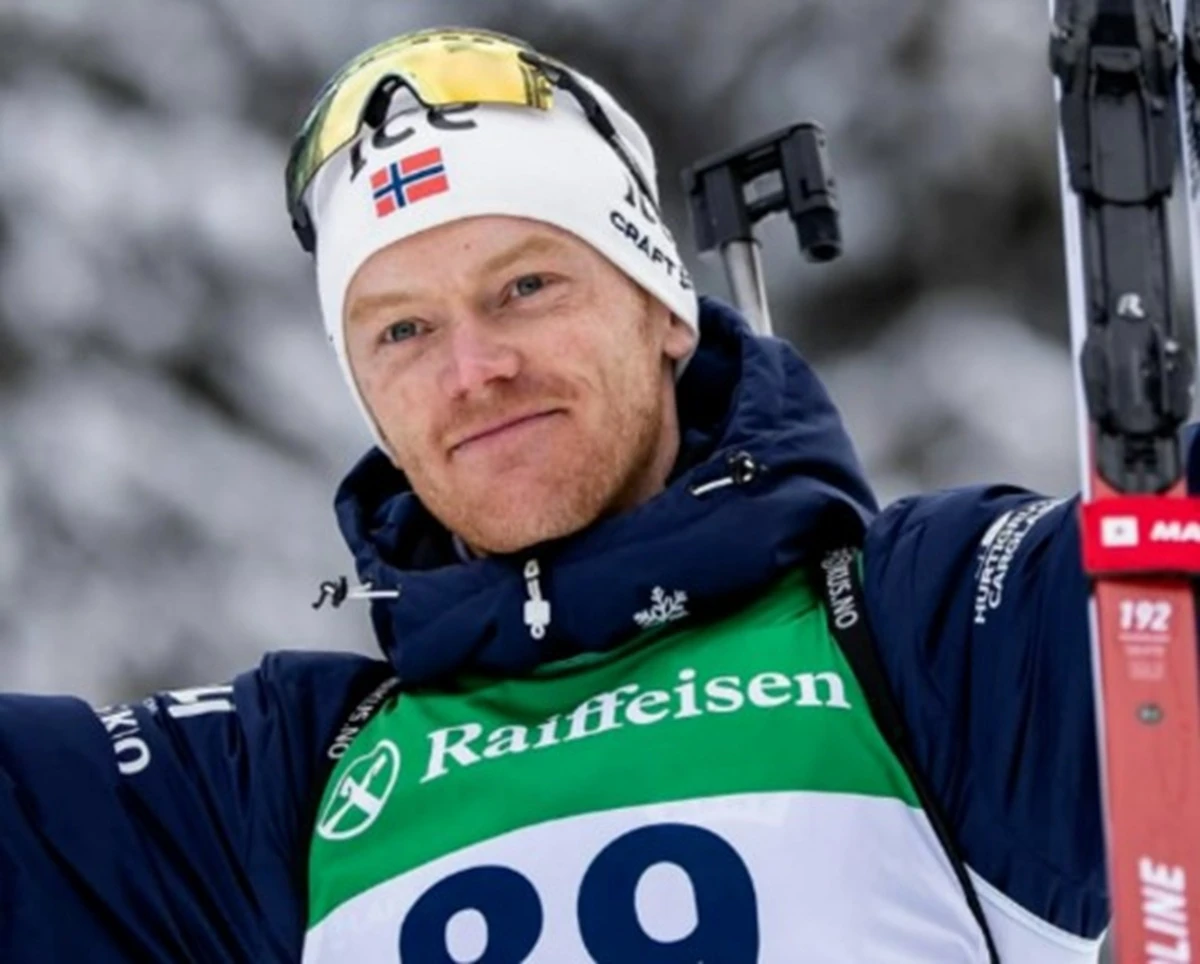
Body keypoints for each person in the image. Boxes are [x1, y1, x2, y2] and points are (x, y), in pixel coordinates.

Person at [0, 25, 1115, 963]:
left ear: (664, 306)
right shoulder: (275, 783)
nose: (473, 369)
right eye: (402, 330)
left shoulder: (931, 630)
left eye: (526, 285)